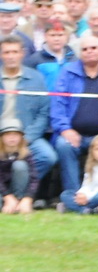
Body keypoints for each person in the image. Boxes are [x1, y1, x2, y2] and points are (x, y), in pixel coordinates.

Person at [50, 36, 98, 206]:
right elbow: (58, 104)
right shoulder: (68, 72)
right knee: (63, 145)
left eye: (93, 47)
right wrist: (65, 129)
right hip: (74, 133)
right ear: (79, 53)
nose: (89, 51)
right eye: (84, 49)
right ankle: (75, 197)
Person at [0, 35, 53, 193]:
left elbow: (43, 113)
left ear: (22, 53)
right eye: (6, 52)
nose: (10, 56)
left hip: (27, 135)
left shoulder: (36, 78)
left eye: (14, 52)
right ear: (1, 55)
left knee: (48, 156)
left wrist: (27, 138)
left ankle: (21, 193)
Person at [0, 118, 39, 213]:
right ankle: (9, 204)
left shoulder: (27, 154)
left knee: (20, 165)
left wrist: (28, 198)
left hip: (18, 189)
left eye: (15, 134)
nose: (12, 138)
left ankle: (18, 201)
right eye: (8, 134)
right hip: (2, 190)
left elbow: (34, 178)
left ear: (21, 137)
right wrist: (7, 196)